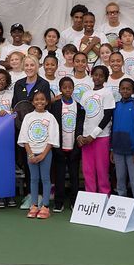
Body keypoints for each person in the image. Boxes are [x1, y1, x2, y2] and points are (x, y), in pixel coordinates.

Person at [18, 90, 59, 218]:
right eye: (36, 99)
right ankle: (34, 205)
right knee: (33, 179)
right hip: (31, 154)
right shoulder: (28, 117)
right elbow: (24, 137)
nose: (39, 102)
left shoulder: (50, 117)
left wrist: (42, 155)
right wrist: (30, 154)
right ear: (32, 102)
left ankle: (45, 206)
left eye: (42, 99)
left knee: (45, 179)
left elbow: (52, 138)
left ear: (47, 102)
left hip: (45, 153)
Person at [78, 65, 115, 195]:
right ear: (91, 75)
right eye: (95, 75)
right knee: (88, 170)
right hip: (86, 139)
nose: (97, 77)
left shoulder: (107, 93)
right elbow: (82, 117)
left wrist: (93, 135)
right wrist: (80, 136)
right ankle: (90, 197)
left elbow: (107, 116)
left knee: (102, 170)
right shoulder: (86, 94)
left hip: (101, 137)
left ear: (105, 78)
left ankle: (104, 196)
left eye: (101, 75)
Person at [49, 76, 85, 212]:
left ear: (73, 89)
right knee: (59, 176)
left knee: (74, 176)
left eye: (70, 87)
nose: (68, 89)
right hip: (59, 147)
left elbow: (80, 126)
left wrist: (77, 145)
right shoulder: (56, 105)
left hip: (74, 148)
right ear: (60, 89)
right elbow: (52, 126)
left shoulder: (78, 106)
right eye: (65, 87)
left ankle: (74, 201)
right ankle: (59, 202)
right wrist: (55, 145)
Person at [111, 78, 134, 209]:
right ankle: (121, 203)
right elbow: (113, 127)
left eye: (128, 89)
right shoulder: (116, 105)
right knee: (120, 179)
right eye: (123, 88)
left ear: (133, 91)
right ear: (119, 90)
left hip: (132, 151)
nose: (125, 91)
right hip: (118, 150)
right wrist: (112, 149)